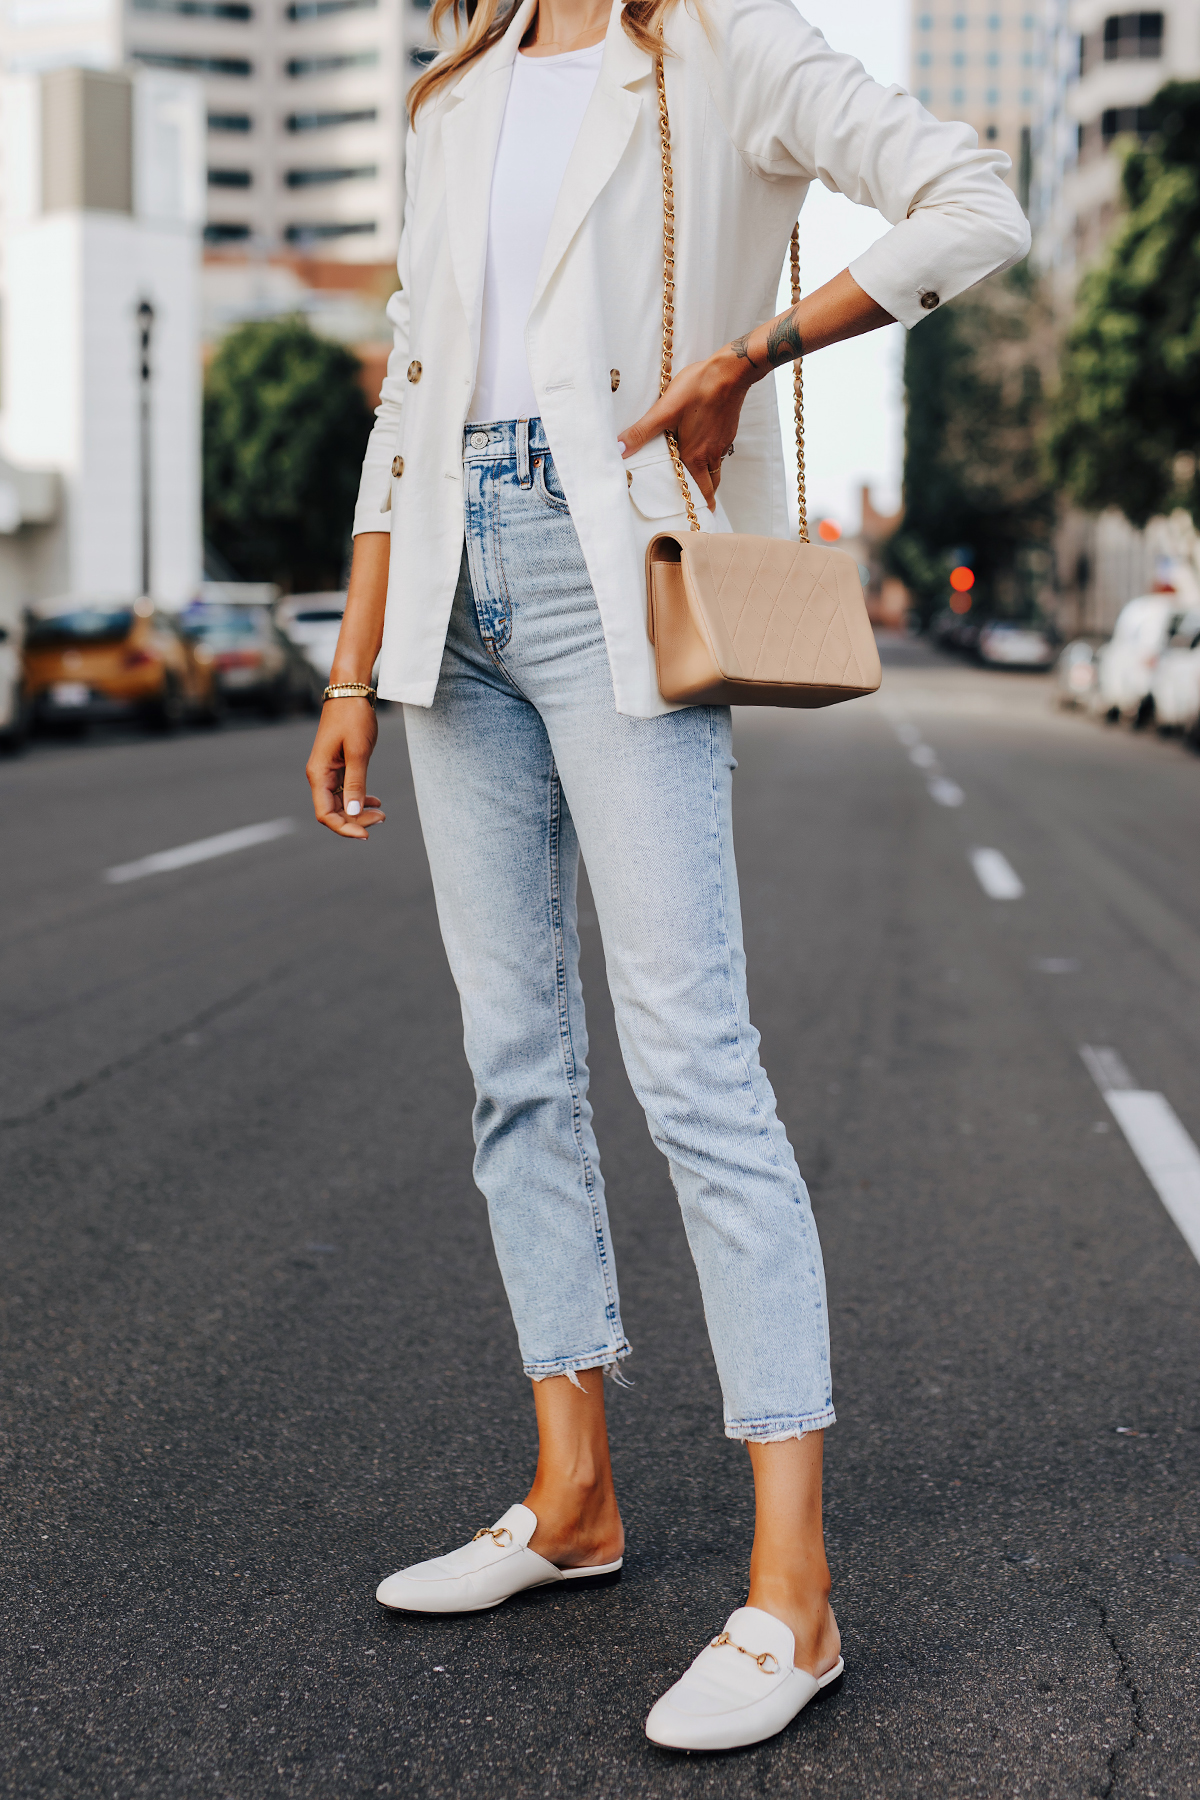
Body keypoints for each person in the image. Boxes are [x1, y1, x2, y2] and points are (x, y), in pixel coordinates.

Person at [305, 0, 1028, 1752]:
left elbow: (973, 200)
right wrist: (353, 657)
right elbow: (414, 376)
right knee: (513, 1070)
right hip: (445, 602)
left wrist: (755, 351)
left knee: (695, 1067)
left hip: (608, 564)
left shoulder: (723, 49)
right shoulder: (455, 87)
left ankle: (796, 1597)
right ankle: (573, 1506)